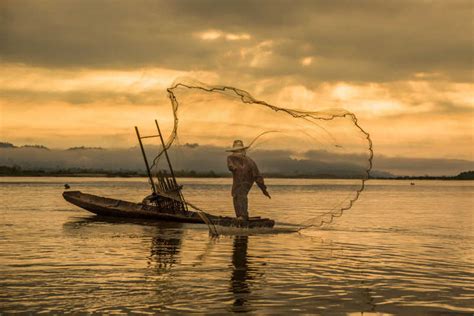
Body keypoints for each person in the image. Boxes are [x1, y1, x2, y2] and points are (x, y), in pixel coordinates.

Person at [227, 140, 271, 220]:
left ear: (242, 151)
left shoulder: (250, 162)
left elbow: (257, 176)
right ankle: (240, 217)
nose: (236, 153)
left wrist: (264, 190)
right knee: (236, 196)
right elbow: (231, 166)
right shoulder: (231, 158)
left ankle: (243, 217)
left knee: (241, 196)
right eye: (235, 151)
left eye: (238, 151)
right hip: (237, 184)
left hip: (245, 184)